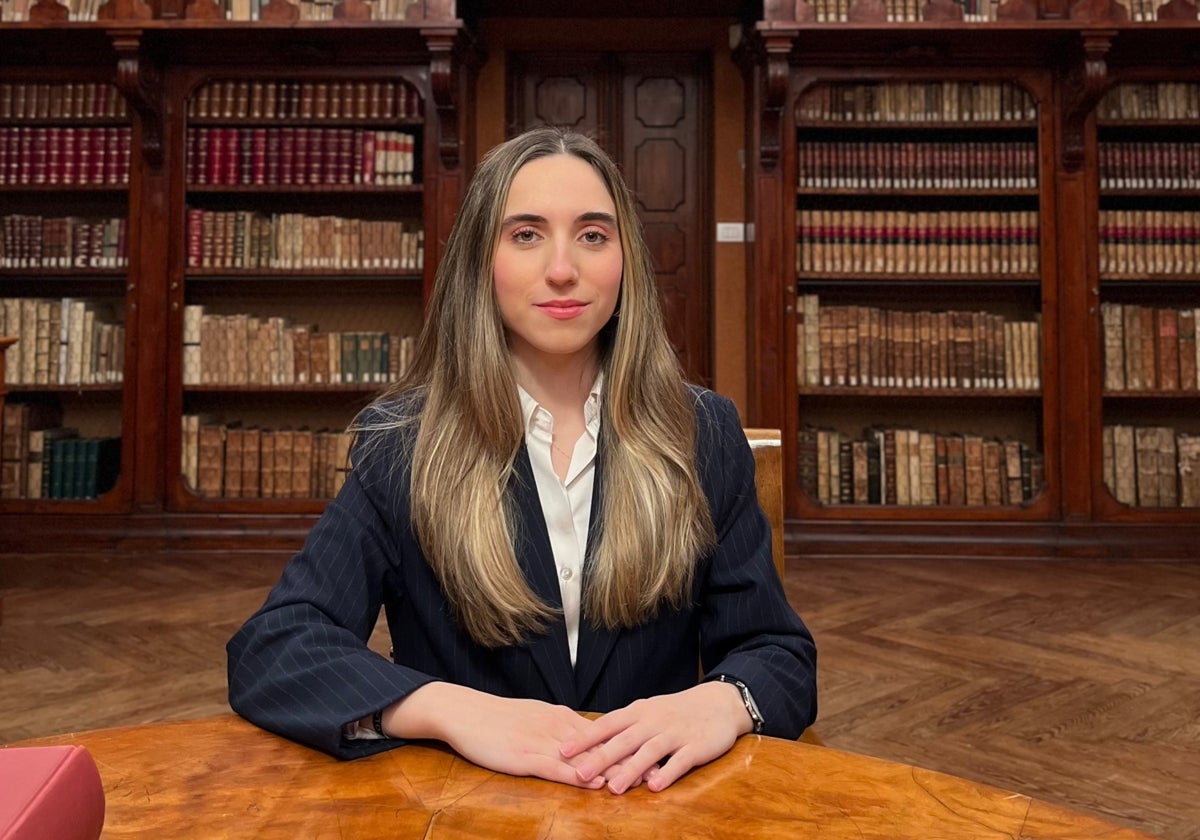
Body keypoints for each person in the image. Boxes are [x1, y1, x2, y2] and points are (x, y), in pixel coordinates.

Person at [227, 126, 817, 796]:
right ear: (482, 260)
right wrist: (449, 711)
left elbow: (781, 657)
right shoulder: (403, 445)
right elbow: (275, 648)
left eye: (593, 235)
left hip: (653, 811)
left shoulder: (703, 434)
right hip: (461, 809)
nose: (562, 268)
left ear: (626, 262)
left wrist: (719, 703)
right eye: (527, 234)